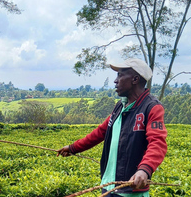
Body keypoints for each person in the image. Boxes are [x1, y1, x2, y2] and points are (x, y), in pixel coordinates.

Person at [57, 58, 167, 197]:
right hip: (109, 186)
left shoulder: (152, 108)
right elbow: (100, 132)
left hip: (130, 190)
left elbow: (157, 143)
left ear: (135, 79)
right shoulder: (120, 106)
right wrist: (73, 148)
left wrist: (144, 170)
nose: (115, 81)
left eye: (120, 75)